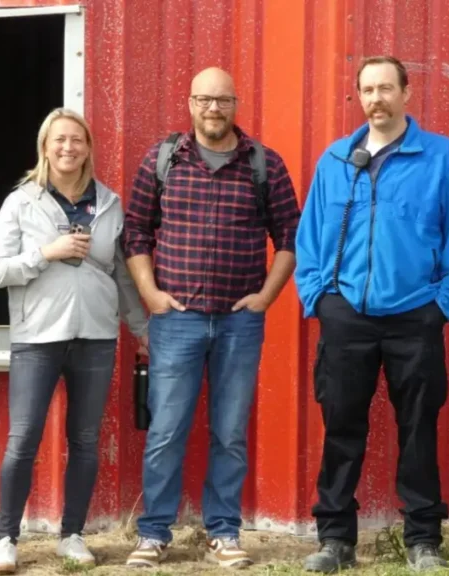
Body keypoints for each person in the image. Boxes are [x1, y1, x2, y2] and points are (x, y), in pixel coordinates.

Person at [294, 55, 449, 573]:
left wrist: (443, 306)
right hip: (346, 316)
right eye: (367, 90)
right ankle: (335, 540)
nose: (376, 98)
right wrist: (320, 299)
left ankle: (423, 540)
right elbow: (309, 238)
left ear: (406, 93)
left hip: (415, 317)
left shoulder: (441, 158)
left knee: (418, 428)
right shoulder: (336, 159)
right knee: (341, 427)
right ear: (357, 96)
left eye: (386, 88)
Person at [120, 67, 301, 569]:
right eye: (204, 100)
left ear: (236, 103)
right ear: (190, 102)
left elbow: (290, 235)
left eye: (222, 100)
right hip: (176, 320)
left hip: (240, 322)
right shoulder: (163, 160)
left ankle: (224, 531)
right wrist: (150, 293)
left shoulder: (264, 164)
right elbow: (135, 231)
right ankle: (154, 533)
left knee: (230, 431)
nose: (213, 109)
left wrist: (266, 296)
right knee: (166, 430)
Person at [0, 108, 149, 574]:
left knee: (85, 439)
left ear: (88, 147)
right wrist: (45, 253)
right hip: (38, 336)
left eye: (77, 140)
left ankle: (72, 535)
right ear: (45, 146)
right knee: (23, 439)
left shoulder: (109, 202)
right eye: (59, 140)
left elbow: (120, 274)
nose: (68, 148)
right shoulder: (22, 201)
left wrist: (142, 331)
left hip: (95, 336)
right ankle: (6, 539)